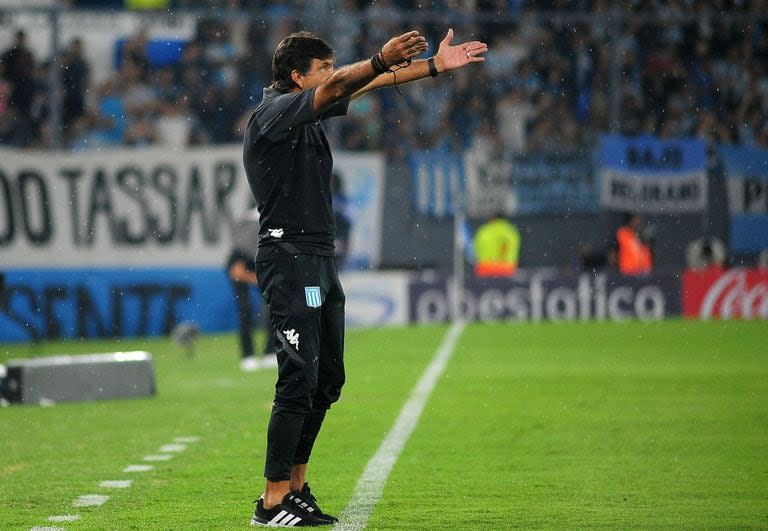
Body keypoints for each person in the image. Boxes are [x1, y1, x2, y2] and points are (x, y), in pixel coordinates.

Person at [243, 28, 487, 527]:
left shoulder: (304, 109)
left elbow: (359, 86)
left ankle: (296, 487)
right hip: (288, 258)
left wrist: (433, 68)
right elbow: (342, 86)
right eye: (322, 69)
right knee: (298, 378)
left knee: (327, 380)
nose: (331, 78)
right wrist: (376, 58)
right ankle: (271, 503)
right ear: (297, 78)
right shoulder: (272, 114)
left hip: (317, 258)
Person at [226, 209, 277, 372]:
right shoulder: (250, 226)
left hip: (262, 264)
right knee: (245, 308)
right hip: (245, 266)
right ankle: (248, 355)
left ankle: (270, 351)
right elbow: (237, 272)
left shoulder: (277, 218)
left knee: (274, 307)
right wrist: (256, 278)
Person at [472, 212, 521, 277]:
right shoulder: (511, 231)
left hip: (485, 268)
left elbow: (476, 249)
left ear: (493, 219)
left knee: (486, 286)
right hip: (506, 268)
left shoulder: (483, 230)